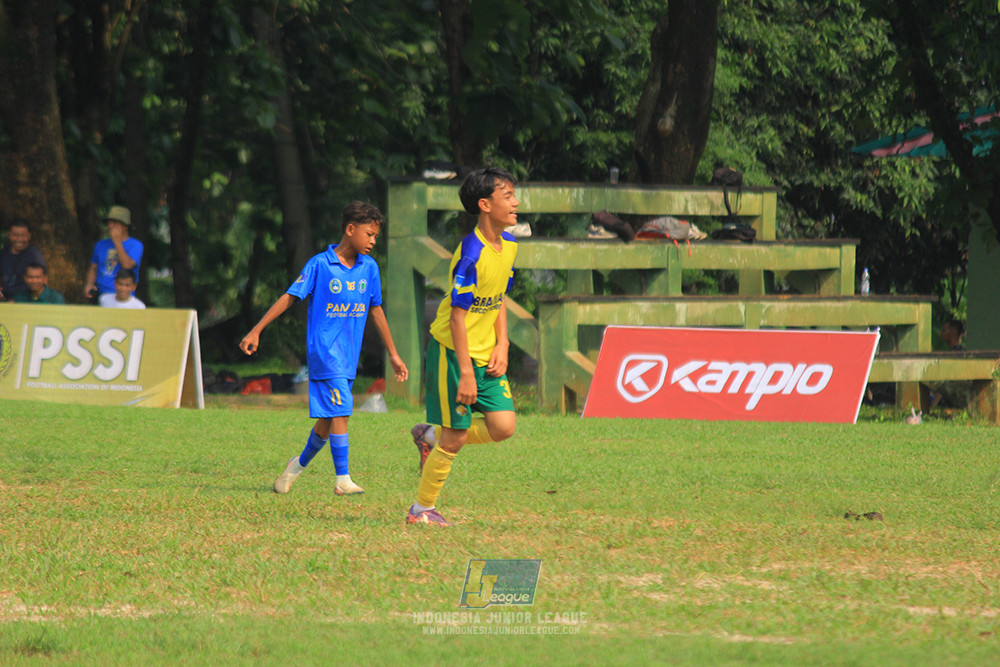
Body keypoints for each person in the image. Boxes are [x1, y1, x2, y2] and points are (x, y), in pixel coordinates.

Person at [239, 201, 408, 496]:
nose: (372, 241)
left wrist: (392, 353)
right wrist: (256, 329)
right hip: (324, 353)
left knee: (328, 422)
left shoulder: (369, 268)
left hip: (348, 355)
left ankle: (295, 467)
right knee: (342, 410)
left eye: (376, 237)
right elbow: (290, 297)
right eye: (369, 234)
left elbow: (376, 310)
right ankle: (342, 479)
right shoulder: (319, 264)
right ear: (350, 229)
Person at [406, 167, 520, 527]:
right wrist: (466, 374)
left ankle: (429, 435)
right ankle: (421, 510)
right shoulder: (472, 253)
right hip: (452, 353)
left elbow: (498, 297)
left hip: (486, 352)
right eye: (508, 197)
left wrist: (503, 343)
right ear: (485, 205)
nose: (516, 203)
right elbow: (457, 318)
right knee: (455, 438)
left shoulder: (510, 246)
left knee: (503, 427)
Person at [84, 205, 144, 301]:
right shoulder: (101, 244)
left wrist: (117, 242)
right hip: (101, 295)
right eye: (109, 222)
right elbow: (93, 267)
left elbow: (127, 265)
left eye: (115, 223)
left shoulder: (136, 245)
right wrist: (89, 284)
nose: (110, 226)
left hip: (124, 296)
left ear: (125, 226)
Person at [1, 220, 47, 302]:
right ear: (9, 235)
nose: (19, 239)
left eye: (23, 236)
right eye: (15, 235)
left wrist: (19, 300)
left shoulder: (34, 255)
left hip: (24, 300)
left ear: (29, 236)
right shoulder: (4, 252)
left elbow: (42, 283)